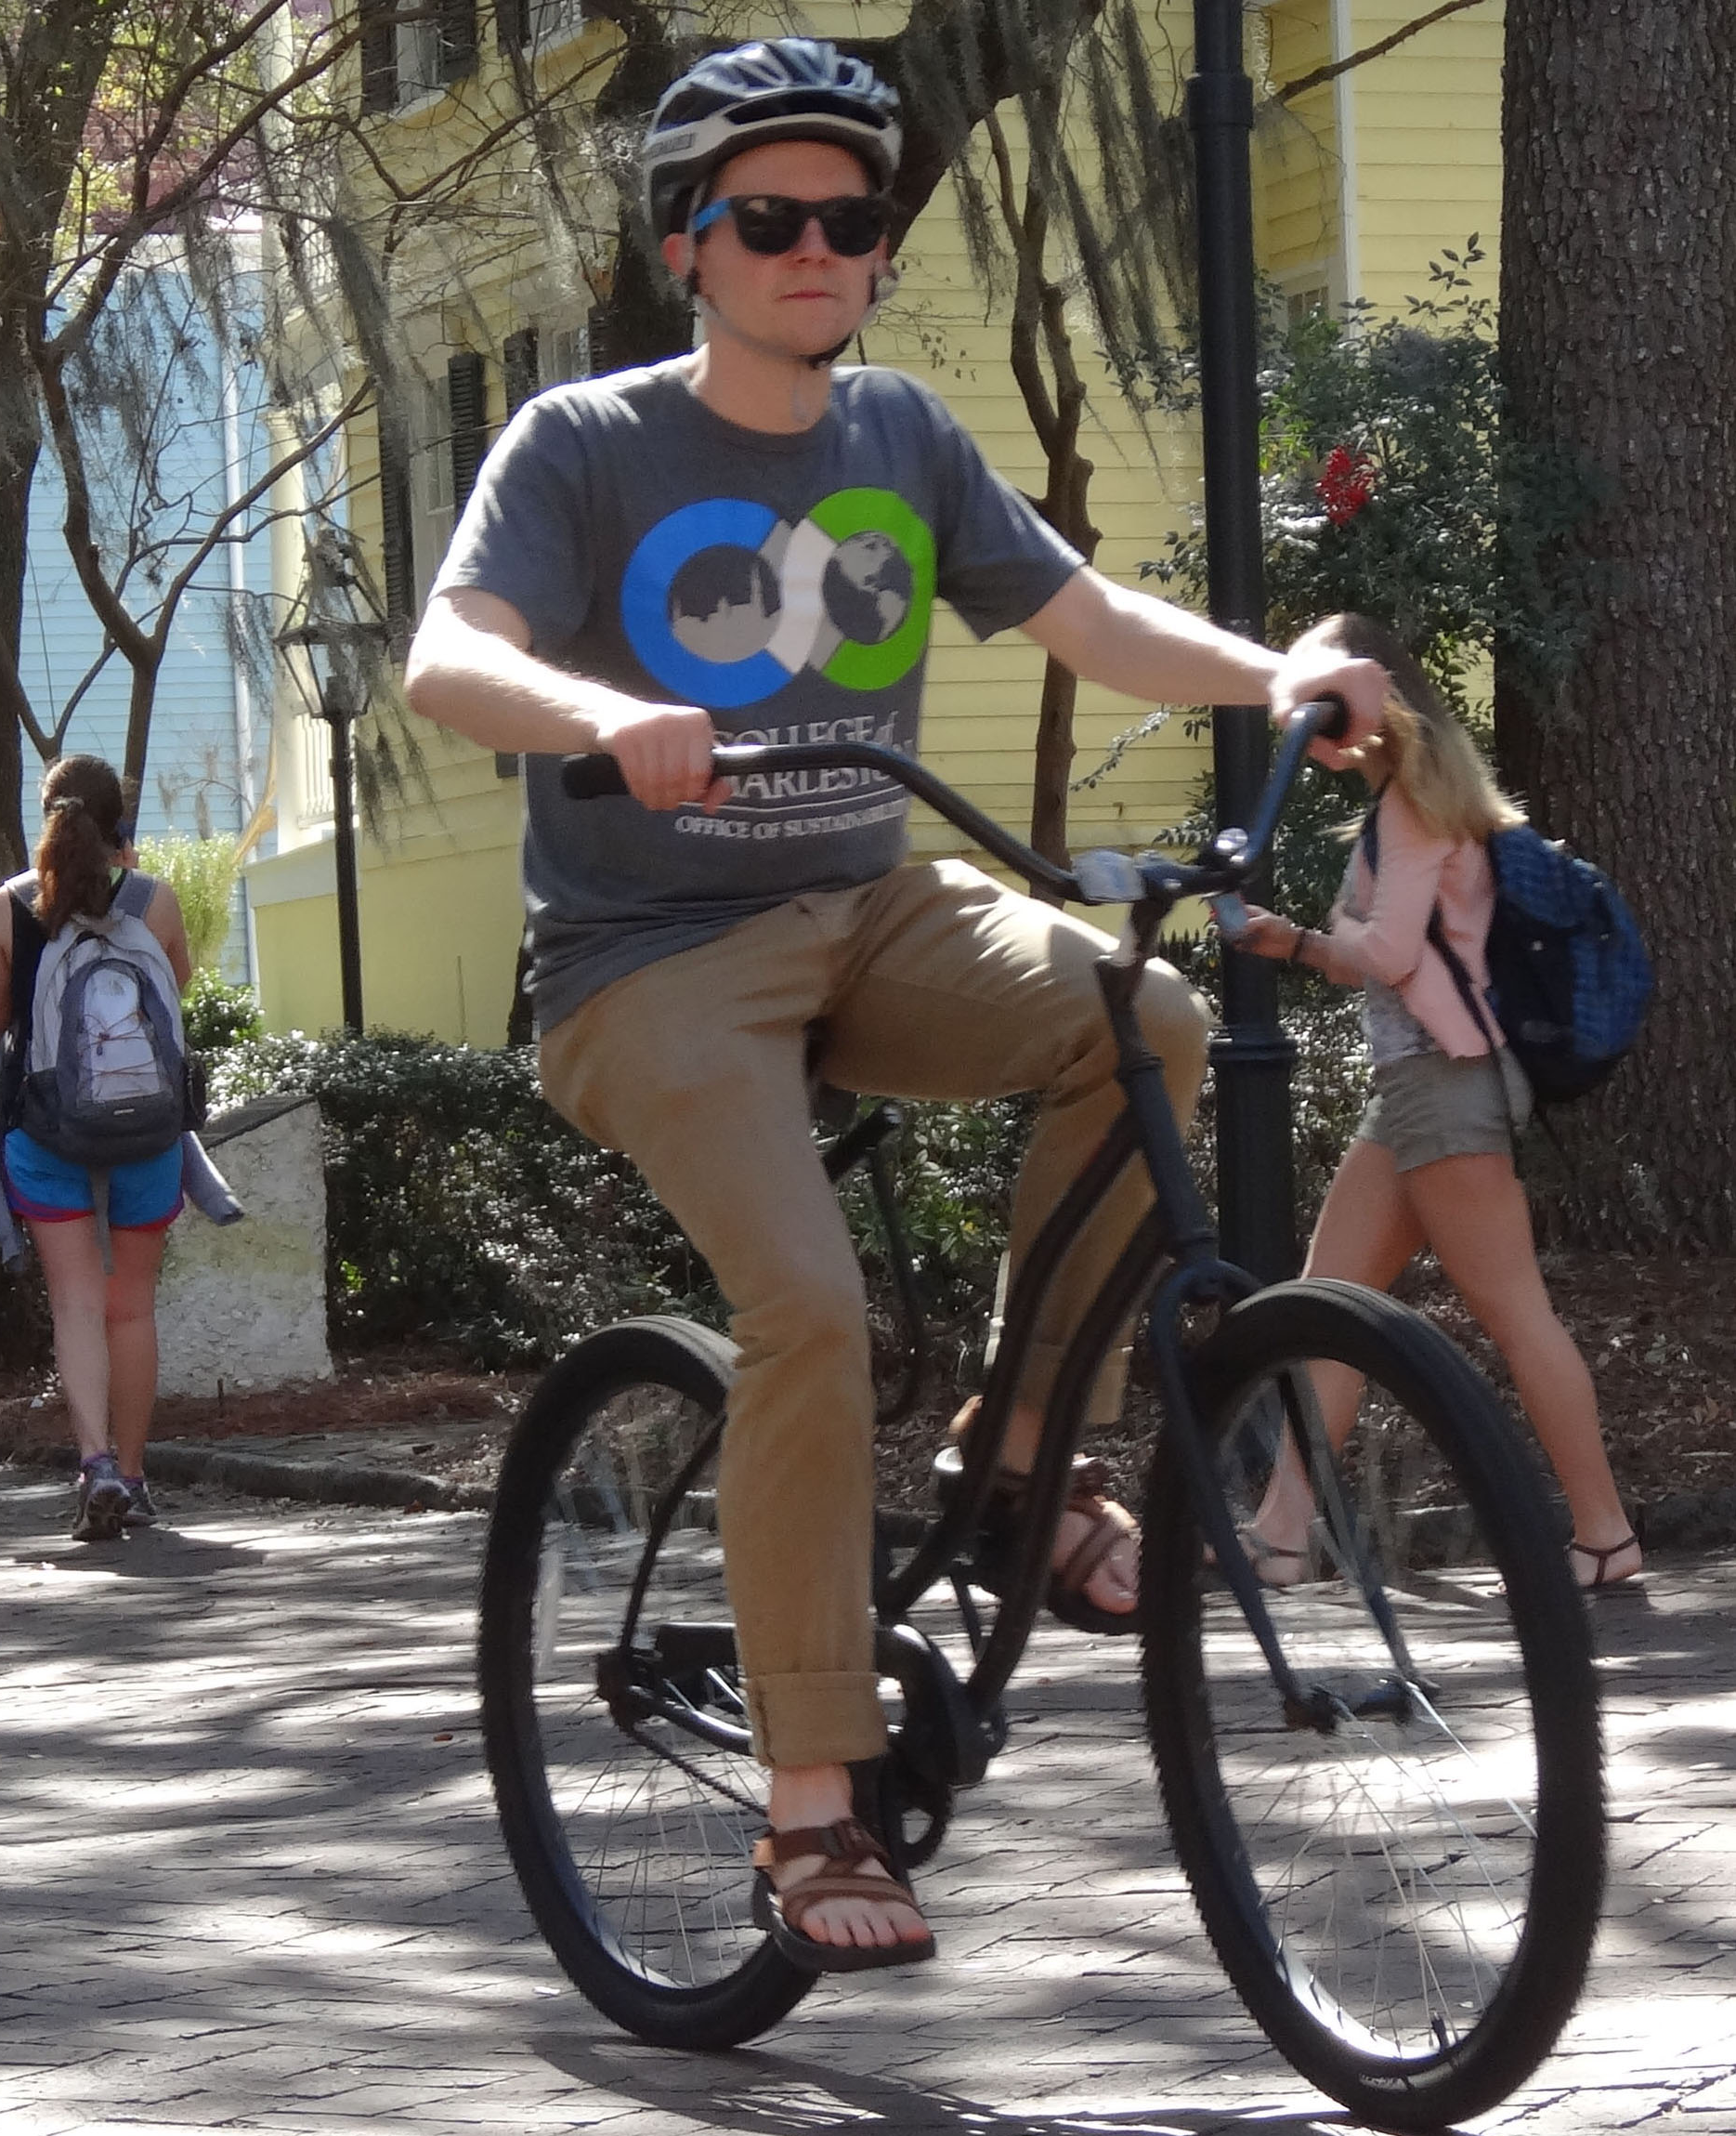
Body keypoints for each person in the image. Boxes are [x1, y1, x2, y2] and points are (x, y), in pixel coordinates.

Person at [401, 35, 1389, 1974]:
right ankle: (810, 1802)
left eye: (849, 220)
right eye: (769, 217)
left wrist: (1276, 676)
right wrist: (612, 715)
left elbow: (1085, 620)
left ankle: (1018, 1456)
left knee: (1149, 1022)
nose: (817, 248)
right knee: (809, 1314)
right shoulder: (584, 446)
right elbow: (448, 652)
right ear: (689, 242)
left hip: (872, 905)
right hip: (645, 962)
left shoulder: (906, 436)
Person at [1232, 614, 1638, 1591]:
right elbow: (1377, 948)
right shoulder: (1411, 803)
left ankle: (1603, 1533)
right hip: (1416, 1091)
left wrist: (1295, 938)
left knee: (1514, 1313)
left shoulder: (1411, 805)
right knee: (1326, 1306)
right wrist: (1333, 934)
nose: (1307, 724)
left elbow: (1386, 954)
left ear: (1368, 702)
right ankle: (1281, 1532)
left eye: (1319, 703)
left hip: (1442, 1088)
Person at [0, 755, 196, 1543]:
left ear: (48, 815)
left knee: (75, 1302)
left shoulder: (12, 905)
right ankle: (134, 1478)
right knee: (130, 1305)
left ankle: (94, 1462)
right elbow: (177, 996)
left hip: (48, 1130)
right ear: (118, 823)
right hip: (147, 1129)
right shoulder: (154, 901)